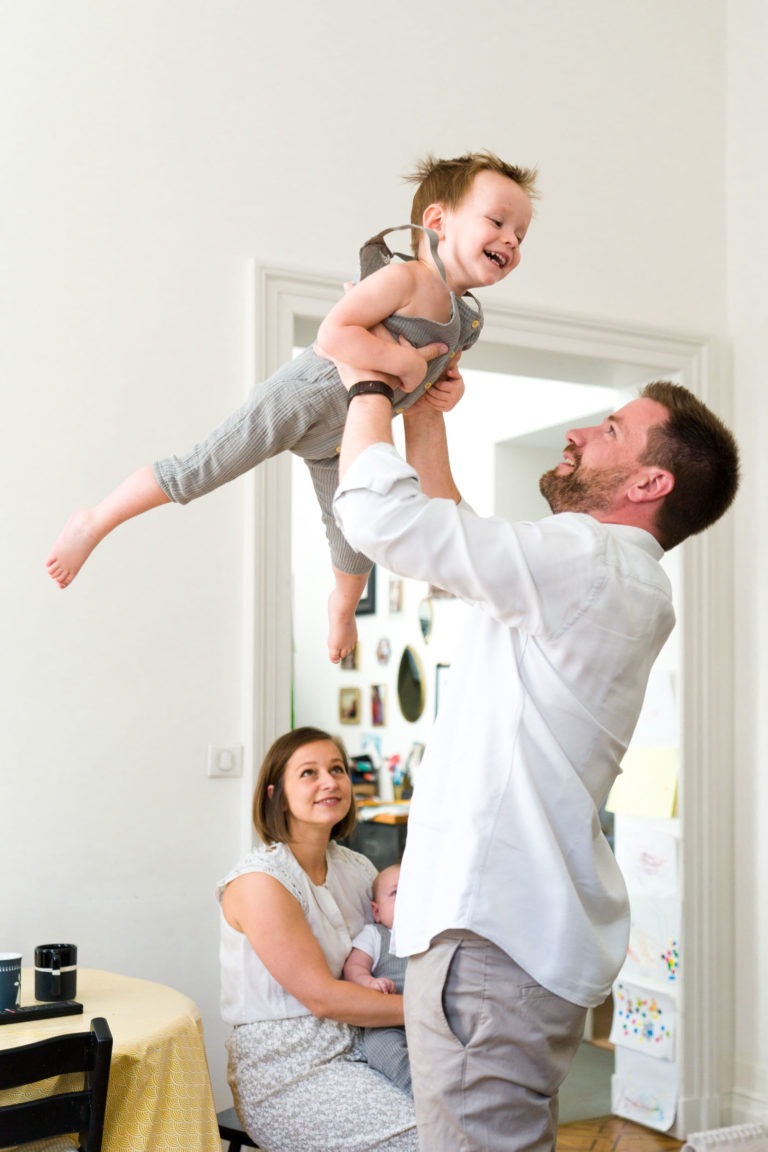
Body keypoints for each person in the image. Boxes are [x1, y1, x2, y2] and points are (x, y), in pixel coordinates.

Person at [333, 372, 739, 1151]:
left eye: (611, 430)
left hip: (488, 946)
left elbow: (384, 519)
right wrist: (424, 418)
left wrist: (370, 387)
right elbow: (448, 540)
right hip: (519, 947)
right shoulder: (618, 579)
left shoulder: (584, 557)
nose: (581, 434)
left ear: (651, 481)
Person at [45, 151, 538, 663]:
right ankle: (95, 520)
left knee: (354, 537)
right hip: (301, 397)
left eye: (520, 236)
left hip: (344, 436)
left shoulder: (466, 321)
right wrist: (400, 361)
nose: (510, 240)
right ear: (437, 221)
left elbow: (439, 383)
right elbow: (334, 332)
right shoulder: (405, 279)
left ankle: (342, 608)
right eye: (498, 222)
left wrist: (448, 390)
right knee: (200, 469)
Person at [216, 726, 418, 1151]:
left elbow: (385, 952)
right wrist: (432, 1010)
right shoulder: (260, 882)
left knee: (473, 1117)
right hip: (289, 1069)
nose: (330, 781)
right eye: (309, 773)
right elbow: (323, 998)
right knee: (425, 1138)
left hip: (372, 1042)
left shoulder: (359, 869)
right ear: (277, 794)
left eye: (337, 769)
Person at [344, 862, 411, 1093]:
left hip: (432, 1017)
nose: (408, 898)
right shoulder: (374, 934)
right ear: (376, 911)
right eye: (396, 893)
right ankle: (417, 1087)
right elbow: (354, 968)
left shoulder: (434, 938)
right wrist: (369, 982)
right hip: (386, 1020)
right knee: (381, 1046)